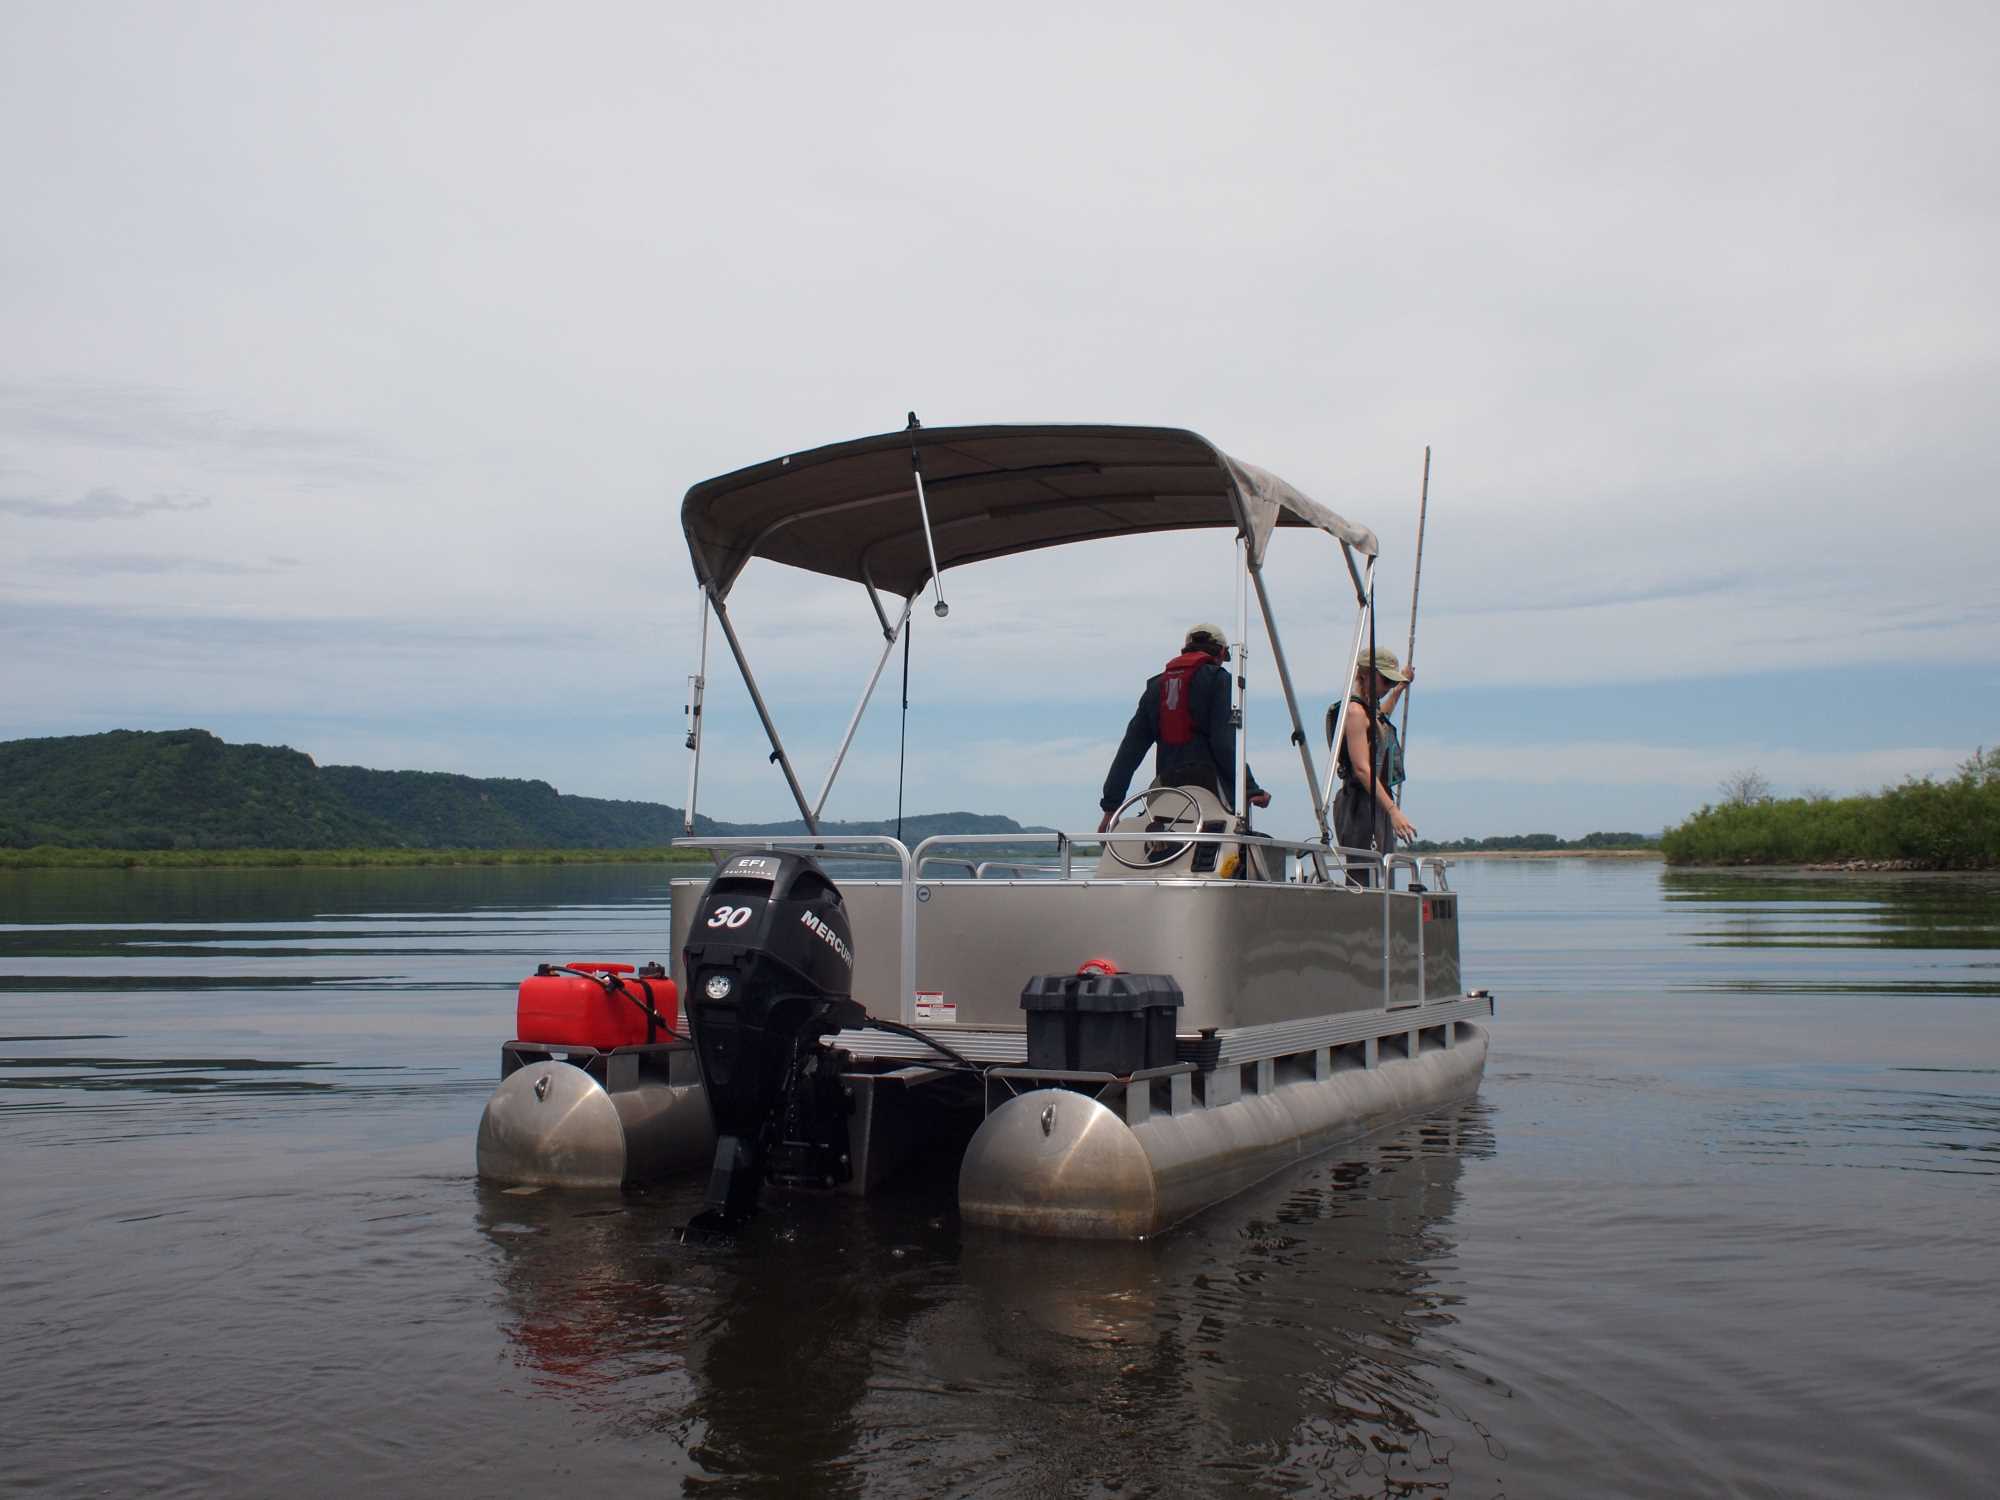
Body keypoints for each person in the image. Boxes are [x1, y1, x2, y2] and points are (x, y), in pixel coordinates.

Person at [1098, 624, 1270, 832]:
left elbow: (1129, 752)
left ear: (1184, 650)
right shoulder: (1220, 680)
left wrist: (1111, 808)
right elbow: (1224, 745)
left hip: (1167, 804)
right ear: (1222, 653)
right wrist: (1251, 789)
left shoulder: (1155, 687)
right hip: (1212, 804)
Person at [1330, 648, 1416, 885]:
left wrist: (1399, 690)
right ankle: (1361, 919)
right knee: (1362, 874)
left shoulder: (1368, 710)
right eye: (1386, 680)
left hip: (1375, 800)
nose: (1388, 686)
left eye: (1392, 681)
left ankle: (1381, 917)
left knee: (1382, 873)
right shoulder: (1355, 712)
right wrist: (1393, 811)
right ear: (1365, 675)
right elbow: (1361, 769)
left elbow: (1379, 721)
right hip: (1359, 803)